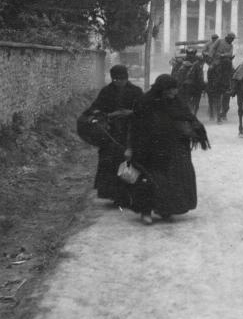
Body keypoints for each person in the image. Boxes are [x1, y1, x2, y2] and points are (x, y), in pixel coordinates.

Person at [125, 74, 210, 225]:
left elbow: (188, 116)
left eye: (175, 90)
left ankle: (166, 209)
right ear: (160, 89)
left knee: (172, 180)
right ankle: (146, 212)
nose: (173, 93)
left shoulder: (176, 101)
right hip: (149, 149)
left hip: (173, 148)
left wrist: (195, 128)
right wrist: (130, 147)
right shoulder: (145, 102)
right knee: (149, 179)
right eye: (170, 90)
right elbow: (134, 126)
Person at [86, 65, 144, 204]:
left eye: (122, 79)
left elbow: (144, 109)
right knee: (110, 161)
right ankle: (114, 194)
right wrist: (110, 115)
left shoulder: (136, 91)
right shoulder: (106, 92)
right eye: (116, 79)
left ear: (127, 78)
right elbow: (95, 109)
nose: (119, 82)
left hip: (130, 131)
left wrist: (131, 113)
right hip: (111, 132)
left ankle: (132, 193)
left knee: (131, 161)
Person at [175, 47, 206, 115]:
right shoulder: (183, 62)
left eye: (192, 53)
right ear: (187, 54)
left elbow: (200, 72)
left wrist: (201, 81)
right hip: (185, 83)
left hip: (196, 83)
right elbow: (179, 73)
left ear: (194, 54)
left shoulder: (197, 62)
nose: (190, 55)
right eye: (189, 53)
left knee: (202, 72)